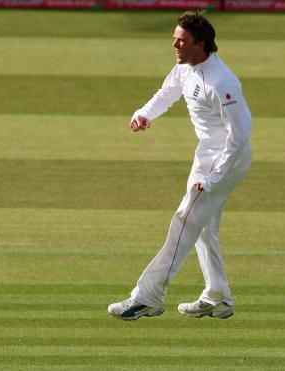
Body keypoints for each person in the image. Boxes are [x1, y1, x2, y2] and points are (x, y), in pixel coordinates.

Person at [108, 11, 252, 321]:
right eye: (175, 38)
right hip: (207, 155)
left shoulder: (222, 82)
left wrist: (213, 178)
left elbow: (240, 137)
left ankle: (148, 296)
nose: (175, 45)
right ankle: (218, 298)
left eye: (181, 41)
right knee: (202, 229)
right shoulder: (185, 67)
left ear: (200, 45)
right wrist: (144, 113)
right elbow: (167, 92)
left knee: (184, 222)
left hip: (224, 159)